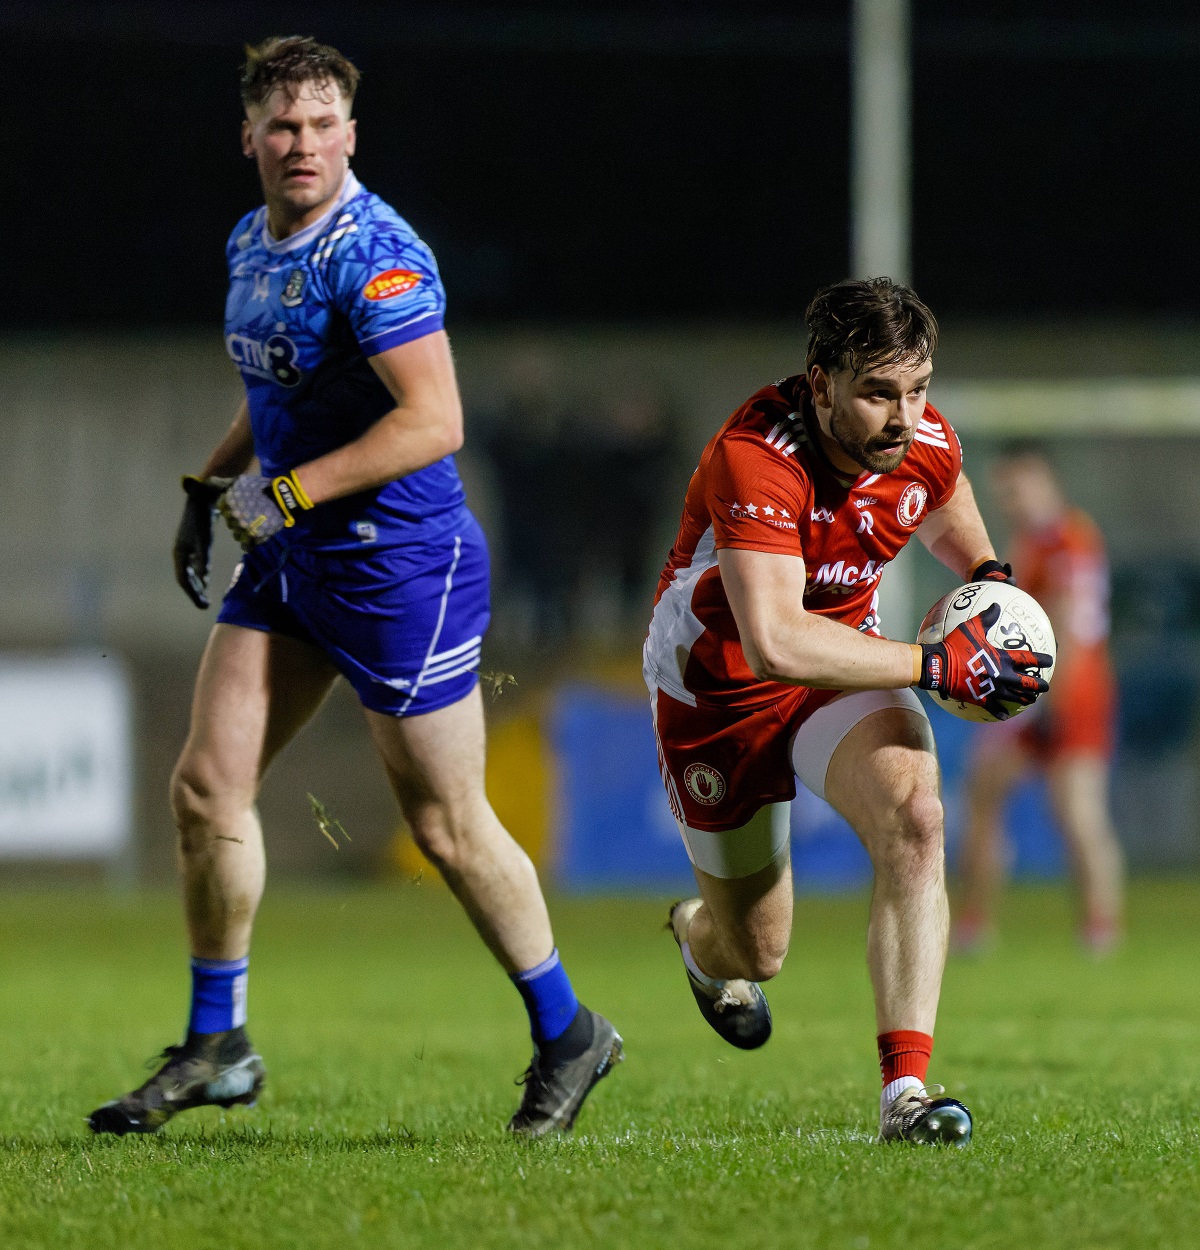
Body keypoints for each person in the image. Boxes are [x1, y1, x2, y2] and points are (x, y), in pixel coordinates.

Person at [88, 36, 620, 1139]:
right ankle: (218, 1043)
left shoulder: (377, 253)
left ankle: (569, 1029)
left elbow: (435, 420)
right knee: (204, 786)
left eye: (324, 124)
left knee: (446, 822)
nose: (302, 144)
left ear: (352, 136)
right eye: (282, 125)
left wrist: (285, 497)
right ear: (249, 135)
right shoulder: (252, 239)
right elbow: (274, 384)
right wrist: (215, 480)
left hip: (396, 563)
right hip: (296, 554)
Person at [643, 278, 1050, 1144]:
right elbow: (776, 646)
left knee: (917, 815)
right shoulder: (754, 457)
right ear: (820, 383)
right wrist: (938, 663)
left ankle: (906, 1095)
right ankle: (695, 936)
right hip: (719, 693)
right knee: (758, 951)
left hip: (843, 662)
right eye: (877, 393)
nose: (904, 416)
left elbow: (942, 494)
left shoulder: (920, 436)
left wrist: (989, 573)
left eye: (918, 388)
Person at [954, 447, 1124, 953]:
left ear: (1046, 481)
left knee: (1077, 811)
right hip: (1035, 692)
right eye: (1003, 491)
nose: (1010, 500)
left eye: (1017, 487)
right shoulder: (1033, 542)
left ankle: (1099, 927)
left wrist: (1050, 703)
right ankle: (975, 922)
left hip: (1068, 694)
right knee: (984, 792)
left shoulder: (1069, 541)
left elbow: (1072, 629)